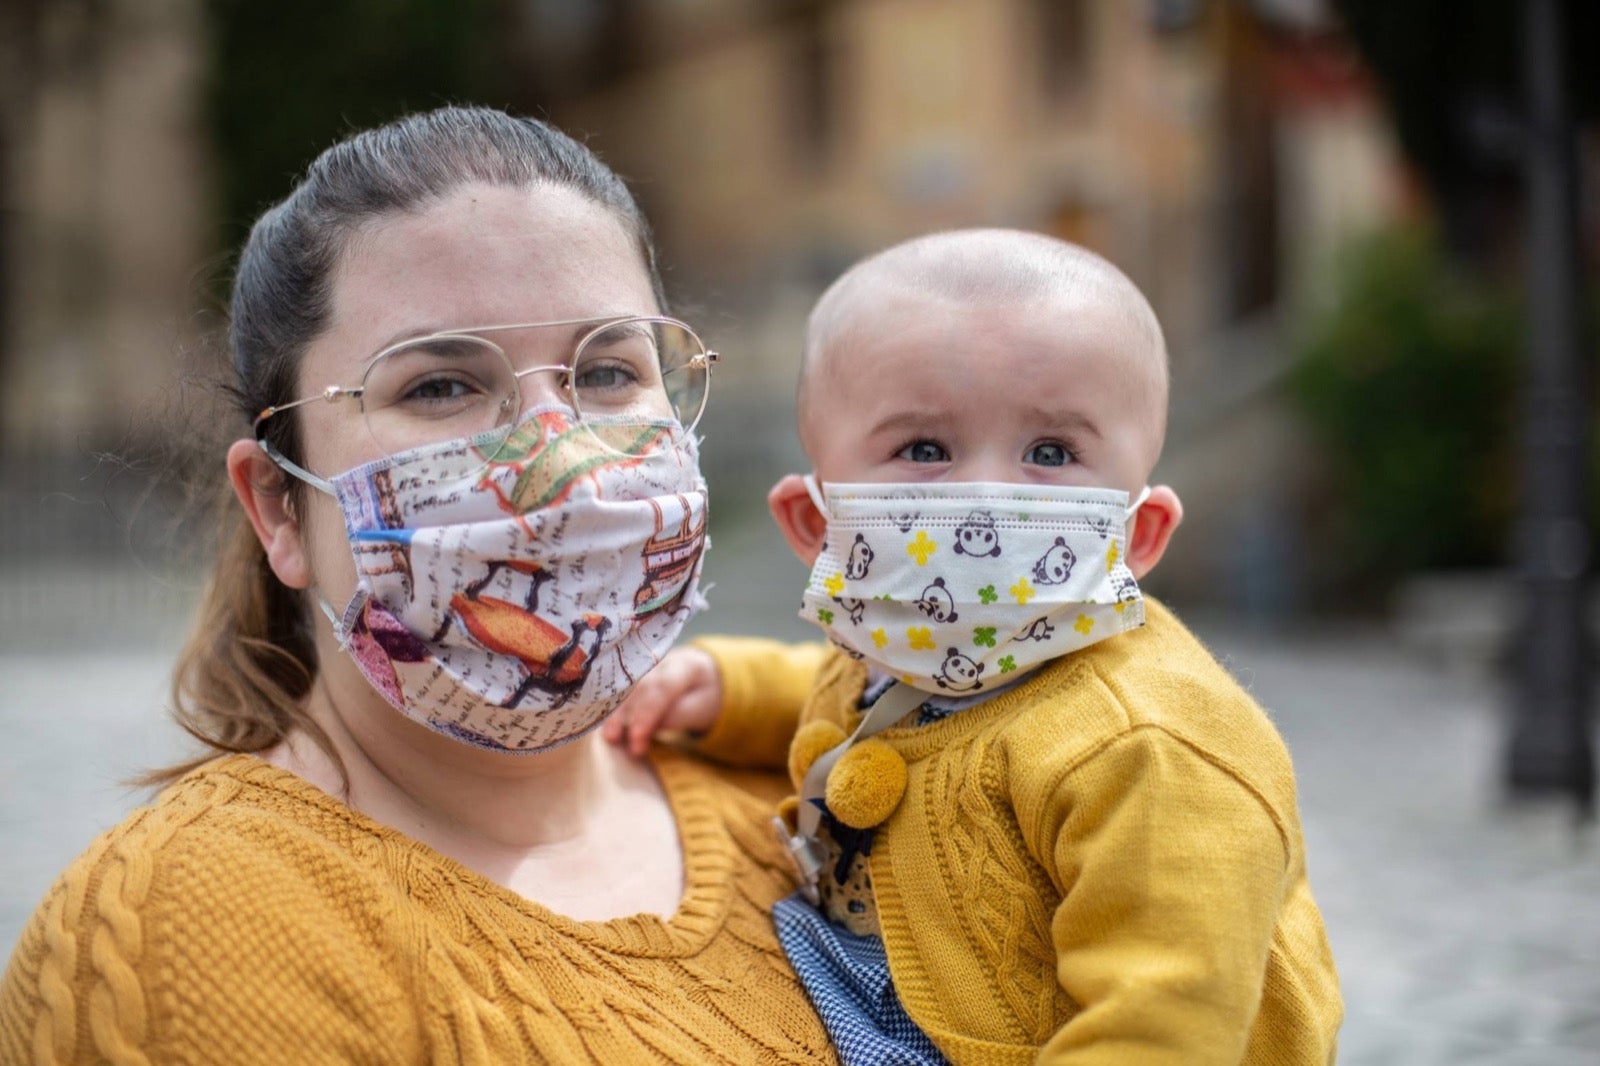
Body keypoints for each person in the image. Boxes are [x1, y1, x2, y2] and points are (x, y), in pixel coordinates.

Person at [0, 106, 837, 1065]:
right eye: (440, 385)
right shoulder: (193, 934)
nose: (560, 461)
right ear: (278, 504)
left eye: (607, 370)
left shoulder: (811, 792)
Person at [606, 229, 1343, 1064]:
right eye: (925, 449)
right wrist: (728, 688)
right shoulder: (907, 647)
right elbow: (865, 697)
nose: (985, 494)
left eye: (1051, 452)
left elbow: (1166, 1016)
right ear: (817, 524)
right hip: (890, 980)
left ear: (1140, 533)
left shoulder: (1153, 750)